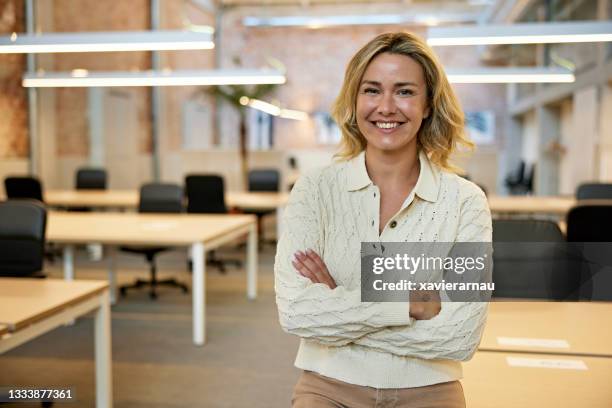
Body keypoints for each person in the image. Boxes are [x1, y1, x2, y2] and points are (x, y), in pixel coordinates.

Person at [274, 31, 492, 408]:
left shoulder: (465, 202)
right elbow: (298, 313)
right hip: (328, 384)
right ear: (355, 101)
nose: (386, 107)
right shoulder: (314, 191)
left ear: (427, 105)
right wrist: (409, 304)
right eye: (372, 90)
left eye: (405, 91)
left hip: (429, 388)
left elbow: (459, 336)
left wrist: (338, 311)